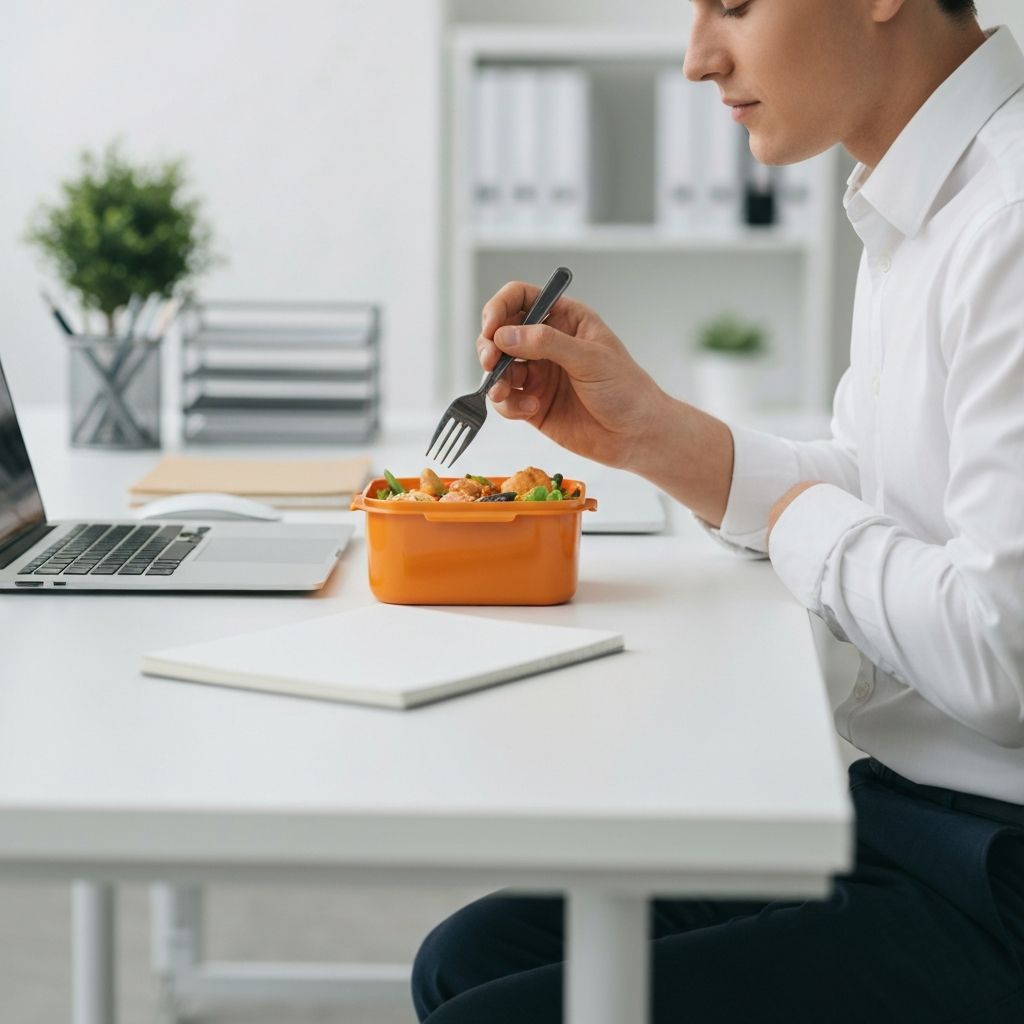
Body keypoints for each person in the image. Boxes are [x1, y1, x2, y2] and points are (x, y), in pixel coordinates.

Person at [412, 0, 1024, 1021]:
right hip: (906, 814)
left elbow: (1000, 651)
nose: (697, 59)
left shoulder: (1007, 217)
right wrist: (643, 432)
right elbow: (884, 487)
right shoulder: (918, 202)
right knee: (467, 958)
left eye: (733, 4)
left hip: (995, 877)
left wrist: (793, 514)